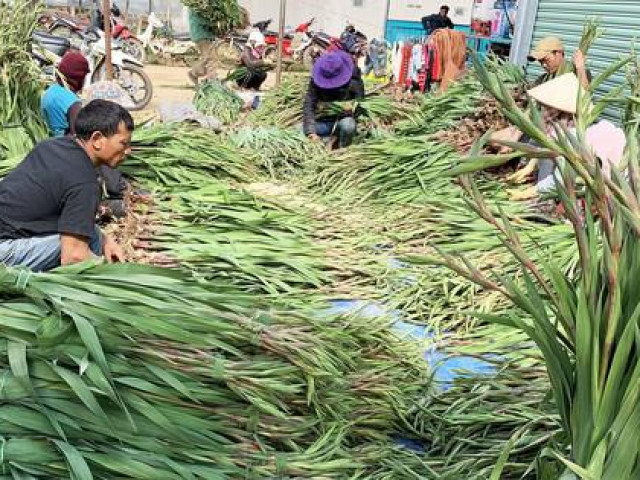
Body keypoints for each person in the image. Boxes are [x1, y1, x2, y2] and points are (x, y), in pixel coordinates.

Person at [0, 100, 133, 272]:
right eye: (123, 143)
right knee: (78, 248)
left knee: (89, 233)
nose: (128, 150)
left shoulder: (52, 145)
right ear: (97, 139)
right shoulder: (85, 182)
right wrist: (117, 275)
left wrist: (105, 240)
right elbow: (73, 257)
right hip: (4, 252)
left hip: (8, 228)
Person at [498, 73, 625, 201]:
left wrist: (528, 193)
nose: (543, 111)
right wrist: (530, 167)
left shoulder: (572, 137)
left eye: (547, 107)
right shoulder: (565, 129)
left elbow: (562, 179)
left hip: (614, 191)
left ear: (558, 111)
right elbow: (548, 146)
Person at [303, 50, 365, 149]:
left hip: (342, 122)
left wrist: (352, 110)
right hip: (323, 122)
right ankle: (325, 141)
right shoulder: (316, 80)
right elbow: (309, 105)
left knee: (348, 125)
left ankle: (342, 149)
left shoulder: (354, 81)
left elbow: (361, 105)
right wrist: (311, 133)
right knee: (297, 130)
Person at [41, 51, 90, 138]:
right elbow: (79, 138)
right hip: (62, 148)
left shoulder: (50, 91)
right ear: (80, 78)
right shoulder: (73, 103)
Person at [188, 8, 217, 85]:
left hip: (206, 35)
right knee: (209, 57)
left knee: (207, 58)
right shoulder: (195, 6)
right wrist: (214, 23)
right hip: (200, 34)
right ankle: (212, 79)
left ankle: (193, 73)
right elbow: (200, 20)